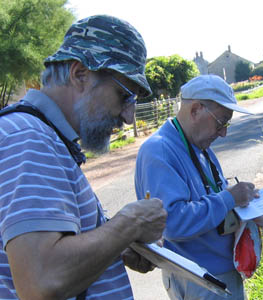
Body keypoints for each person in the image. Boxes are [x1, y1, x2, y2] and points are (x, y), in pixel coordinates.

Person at [0, 15, 167, 300]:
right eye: (123, 95)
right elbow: (42, 281)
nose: (128, 117)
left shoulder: (45, 138)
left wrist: (116, 247)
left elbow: (51, 251)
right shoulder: (28, 137)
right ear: (80, 75)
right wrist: (130, 224)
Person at [135, 75, 263, 300]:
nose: (223, 132)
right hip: (200, 282)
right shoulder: (159, 151)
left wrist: (247, 207)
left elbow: (214, 202)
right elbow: (172, 223)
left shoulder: (199, 146)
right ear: (195, 110)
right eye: (221, 122)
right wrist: (229, 199)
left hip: (217, 277)